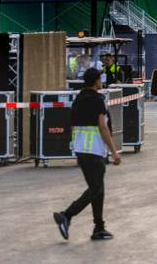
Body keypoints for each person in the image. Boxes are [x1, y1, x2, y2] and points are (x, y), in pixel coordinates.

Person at [53, 68, 121, 242]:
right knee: (96, 189)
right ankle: (66, 215)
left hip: (81, 149)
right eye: (100, 78)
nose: (102, 80)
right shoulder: (98, 99)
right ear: (95, 81)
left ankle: (99, 228)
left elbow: (72, 124)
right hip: (94, 150)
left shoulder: (78, 98)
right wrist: (114, 152)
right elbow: (102, 126)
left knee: (98, 189)